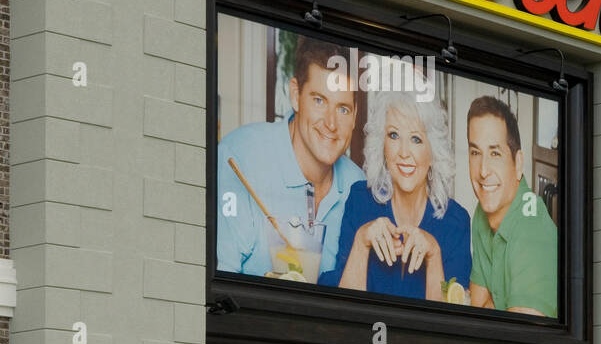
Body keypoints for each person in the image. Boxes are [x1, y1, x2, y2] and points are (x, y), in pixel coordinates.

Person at [217, 35, 363, 278]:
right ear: (295, 95)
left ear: (355, 114)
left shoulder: (357, 185)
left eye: (343, 108)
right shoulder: (240, 156)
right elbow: (214, 290)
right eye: (319, 100)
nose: (331, 123)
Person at [323, 82, 471, 301]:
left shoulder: (456, 222)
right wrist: (362, 242)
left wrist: (433, 253)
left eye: (416, 139)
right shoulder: (360, 200)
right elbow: (342, 312)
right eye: (393, 135)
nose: (403, 153)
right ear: (381, 145)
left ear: (433, 153)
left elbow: (448, 329)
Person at [467, 95, 558, 317]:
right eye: (475, 152)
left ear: (518, 164)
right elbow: (477, 308)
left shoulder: (532, 225)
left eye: (495, 153)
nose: (483, 171)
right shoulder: (482, 213)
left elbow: (523, 342)